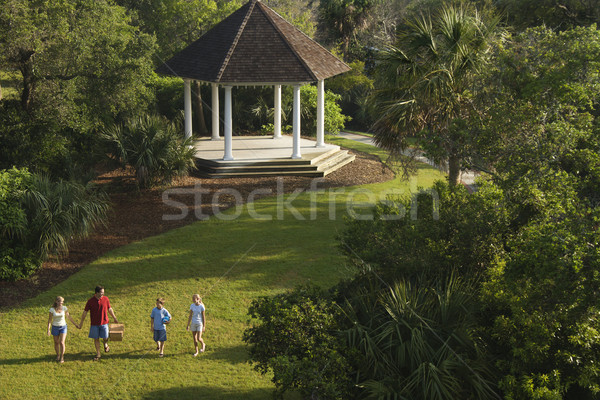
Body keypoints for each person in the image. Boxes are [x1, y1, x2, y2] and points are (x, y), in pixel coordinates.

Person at [79, 285, 119, 361]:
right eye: (101, 292)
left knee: (105, 337)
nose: (103, 294)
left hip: (104, 322)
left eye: (103, 292)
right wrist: (81, 323)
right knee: (96, 339)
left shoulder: (106, 299)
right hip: (94, 324)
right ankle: (98, 354)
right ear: (96, 293)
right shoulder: (90, 301)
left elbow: (109, 309)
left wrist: (114, 318)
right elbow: (85, 312)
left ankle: (105, 343)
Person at [46, 296, 81, 363]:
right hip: (55, 327)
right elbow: (50, 320)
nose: (61, 303)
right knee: (56, 342)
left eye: (62, 301)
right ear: (56, 301)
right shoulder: (52, 310)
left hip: (63, 327)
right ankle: (58, 355)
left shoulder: (64, 308)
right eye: (59, 301)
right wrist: (48, 329)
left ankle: (62, 357)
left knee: (62, 342)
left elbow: (69, 317)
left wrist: (75, 324)